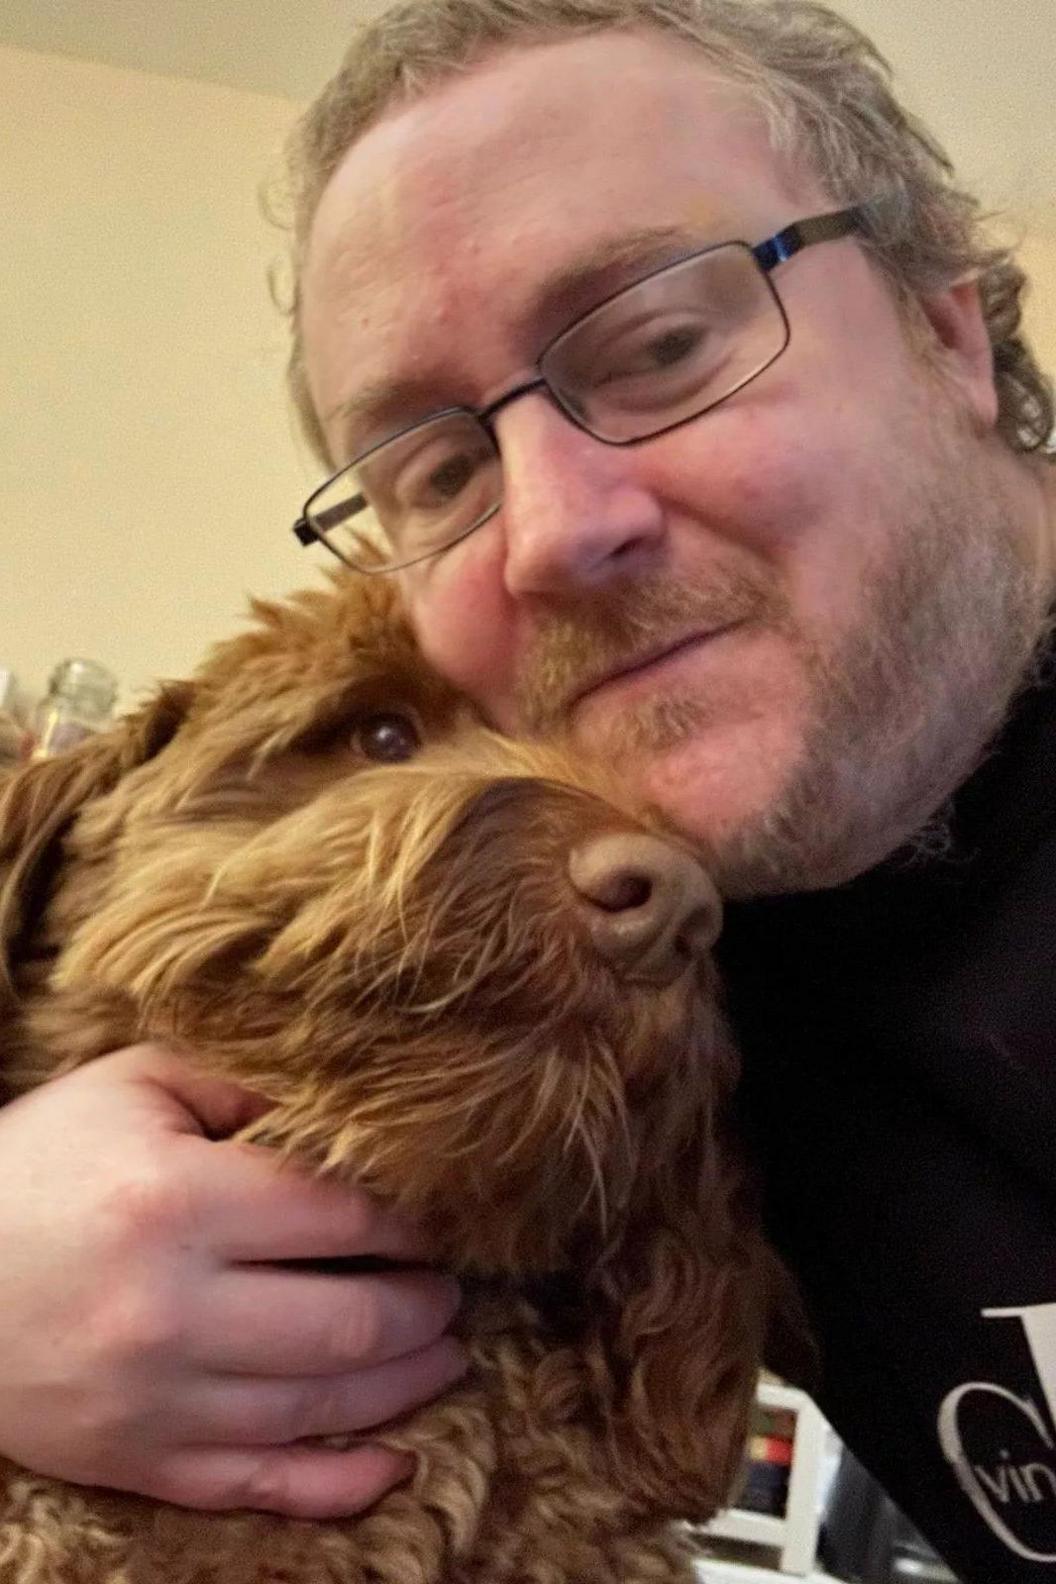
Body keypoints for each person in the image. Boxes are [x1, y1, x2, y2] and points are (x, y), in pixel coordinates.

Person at [2, 0, 1052, 1579]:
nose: (554, 529)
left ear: (950, 334)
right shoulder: (629, 957)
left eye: (660, 345)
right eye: (439, 467)